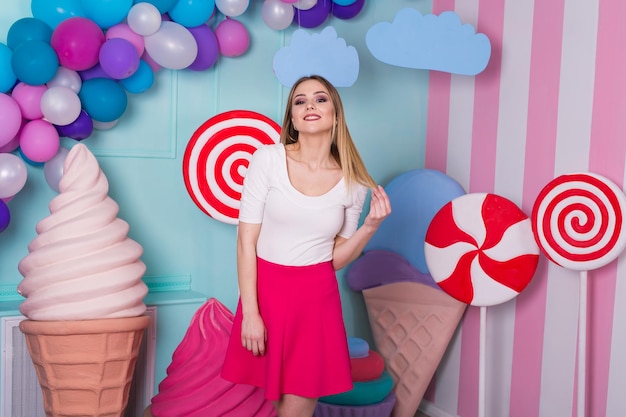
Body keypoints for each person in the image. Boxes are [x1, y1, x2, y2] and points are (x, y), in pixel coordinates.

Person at [221, 75, 392, 417]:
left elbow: (335, 259)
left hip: (316, 300)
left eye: (320, 99)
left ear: (336, 115)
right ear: (294, 119)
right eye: (300, 101)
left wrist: (370, 227)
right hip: (267, 294)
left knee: (298, 406)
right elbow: (246, 242)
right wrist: (251, 314)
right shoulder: (267, 159)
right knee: (272, 402)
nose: (309, 105)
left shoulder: (354, 183)